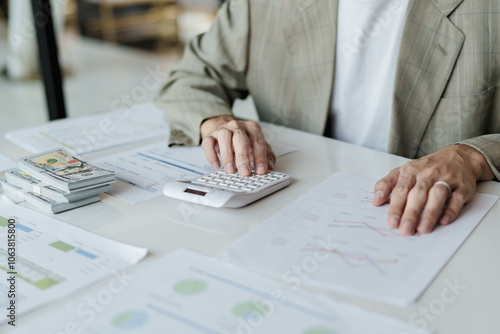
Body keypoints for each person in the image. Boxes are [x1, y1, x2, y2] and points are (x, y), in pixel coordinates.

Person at [155, 0, 500, 236]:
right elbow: (190, 78)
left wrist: (470, 157)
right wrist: (216, 122)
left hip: (438, 232)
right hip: (290, 220)